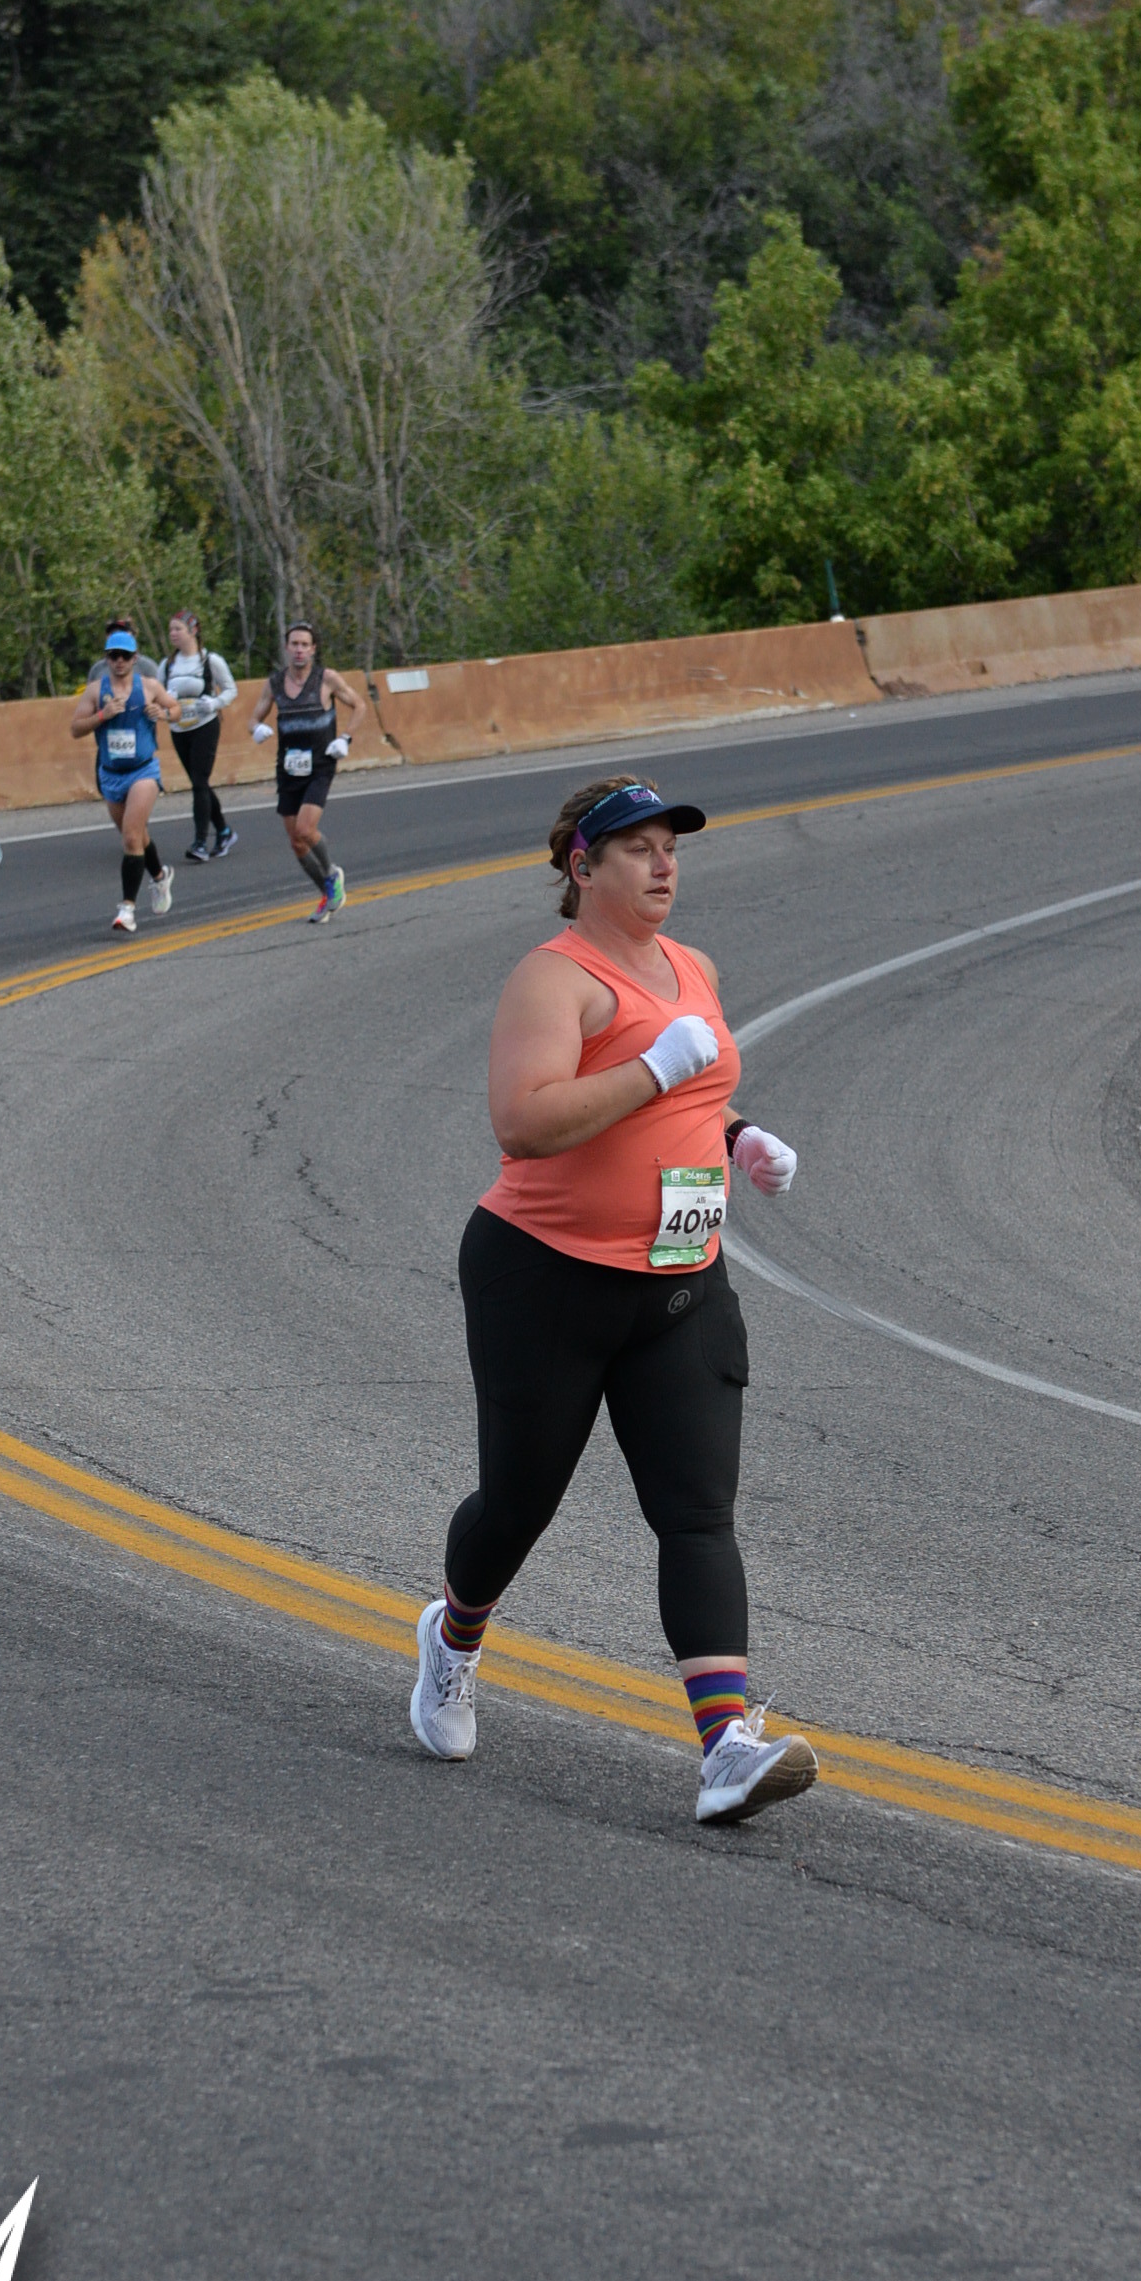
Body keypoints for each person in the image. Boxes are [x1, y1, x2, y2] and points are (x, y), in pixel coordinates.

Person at [409, 775, 815, 1828]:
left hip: (679, 1283)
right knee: (518, 1504)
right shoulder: (554, 980)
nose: (664, 863)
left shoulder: (694, 967)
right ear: (581, 866)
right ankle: (453, 1638)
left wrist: (740, 1137)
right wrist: (652, 1068)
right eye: (637, 848)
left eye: (671, 845)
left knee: (697, 1513)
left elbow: (698, 1092)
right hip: (544, 1276)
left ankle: (725, 1747)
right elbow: (525, 1122)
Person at [247, 621, 365, 924]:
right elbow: (254, 717)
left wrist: (345, 738)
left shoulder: (326, 679)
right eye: (294, 644)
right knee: (296, 842)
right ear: (287, 648)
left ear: (313, 649)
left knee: (305, 830)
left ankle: (331, 873)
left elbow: (359, 705)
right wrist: (256, 728)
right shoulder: (275, 683)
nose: (299, 650)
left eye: (304, 645)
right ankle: (327, 893)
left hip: (320, 764)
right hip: (288, 767)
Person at [69, 628, 177, 936]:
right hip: (111, 774)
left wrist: (163, 713)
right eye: (114, 656)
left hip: (143, 770)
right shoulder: (95, 691)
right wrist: (103, 715)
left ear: (135, 658)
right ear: (107, 658)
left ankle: (127, 909)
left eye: (125, 656)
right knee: (137, 835)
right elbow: (75, 729)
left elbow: (177, 709)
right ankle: (160, 876)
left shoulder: (150, 685)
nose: (119, 661)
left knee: (130, 837)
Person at [158, 610, 238, 862]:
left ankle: (201, 842)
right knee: (198, 781)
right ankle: (224, 831)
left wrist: (215, 703)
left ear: (193, 631)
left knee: (199, 782)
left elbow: (230, 689)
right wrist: (164, 706)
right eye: (171, 630)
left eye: (178, 629)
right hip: (179, 729)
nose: (173, 634)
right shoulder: (167, 665)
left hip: (205, 726)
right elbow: (157, 694)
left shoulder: (210, 661)